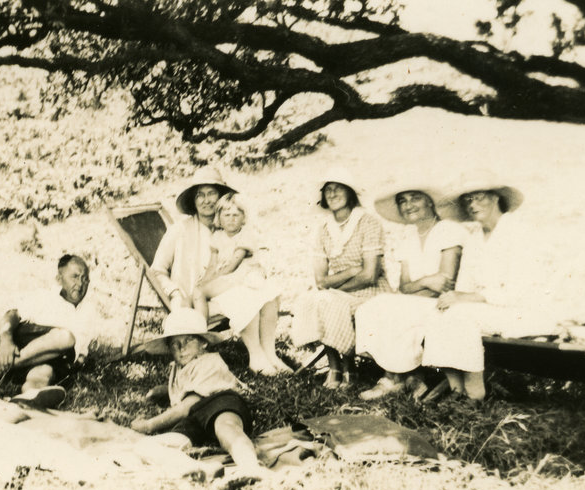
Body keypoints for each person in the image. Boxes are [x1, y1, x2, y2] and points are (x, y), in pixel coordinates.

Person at [421, 174, 557, 400]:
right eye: (468, 201)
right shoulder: (475, 238)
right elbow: (464, 283)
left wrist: (466, 298)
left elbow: (519, 290)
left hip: (524, 310)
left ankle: (475, 393)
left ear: (495, 198)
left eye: (479, 198)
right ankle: (456, 389)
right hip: (488, 308)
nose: (472, 205)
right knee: (440, 313)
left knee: (463, 314)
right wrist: (454, 297)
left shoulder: (520, 232)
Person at [151, 166, 289, 375]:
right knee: (244, 296)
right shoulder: (180, 230)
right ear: (194, 200)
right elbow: (157, 269)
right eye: (200, 195)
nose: (206, 200)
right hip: (197, 300)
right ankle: (256, 357)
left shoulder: (230, 227)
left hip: (226, 287)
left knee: (269, 293)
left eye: (212, 194)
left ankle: (270, 353)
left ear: (222, 198)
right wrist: (174, 292)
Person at [354, 183, 468, 400]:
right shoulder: (408, 237)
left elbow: (446, 282)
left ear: (429, 201)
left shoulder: (449, 230)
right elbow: (404, 286)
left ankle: (394, 379)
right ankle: (407, 376)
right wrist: (426, 280)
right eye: (402, 201)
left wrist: (418, 289)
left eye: (415, 198)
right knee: (374, 306)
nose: (408, 205)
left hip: (448, 303)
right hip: (417, 301)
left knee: (395, 308)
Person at [130, 308, 265, 489]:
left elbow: (187, 405)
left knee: (227, 428)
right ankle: (199, 469)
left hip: (219, 402)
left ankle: (250, 467)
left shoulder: (210, 361)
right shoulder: (177, 369)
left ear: (203, 343)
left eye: (188, 340)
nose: (181, 348)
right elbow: (185, 389)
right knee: (145, 446)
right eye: (175, 344)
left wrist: (149, 425)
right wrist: (162, 391)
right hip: (193, 418)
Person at [290, 167, 390, 389]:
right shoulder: (323, 229)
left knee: (330, 301)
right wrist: (351, 271)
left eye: (339, 189)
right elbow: (320, 280)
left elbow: (370, 274)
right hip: (341, 289)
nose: (333, 194)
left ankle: (349, 366)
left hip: (371, 292)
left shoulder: (367, 222)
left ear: (350, 193)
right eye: (328, 191)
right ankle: (335, 366)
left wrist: (336, 284)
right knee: (309, 300)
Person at [0, 255, 97, 407]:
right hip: (27, 344)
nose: (80, 284)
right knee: (65, 337)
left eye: (85, 278)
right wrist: (6, 340)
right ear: (59, 279)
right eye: (74, 277)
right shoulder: (44, 296)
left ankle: (28, 396)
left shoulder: (90, 310)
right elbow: (11, 315)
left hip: (55, 358)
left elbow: (82, 350)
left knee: (43, 374)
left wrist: (79, 361)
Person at [191, 193, 274, 321]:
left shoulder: (245, 235)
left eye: (236, 215)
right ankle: (198, 324)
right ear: (219, 218)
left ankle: (200, 327)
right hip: (224, 275)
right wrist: (205, 280)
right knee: (197, 290)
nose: (231, 219)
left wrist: (212, 280)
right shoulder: (217, 237)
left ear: (243, 218)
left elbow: (232, 266)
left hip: (240, 276)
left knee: (200, 293)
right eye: (227, 215)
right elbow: (212, 265)